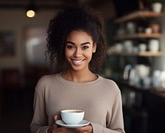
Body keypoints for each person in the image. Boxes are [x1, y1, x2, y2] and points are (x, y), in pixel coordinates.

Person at [30, 5, 125, 133]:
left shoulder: (110, 89)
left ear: (94, 47)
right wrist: (49, 131)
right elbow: (34, 128)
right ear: (63, 48)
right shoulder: (45, 85)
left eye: (85, 47)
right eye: (71, 46)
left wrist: (95, 130)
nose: (77, 54)